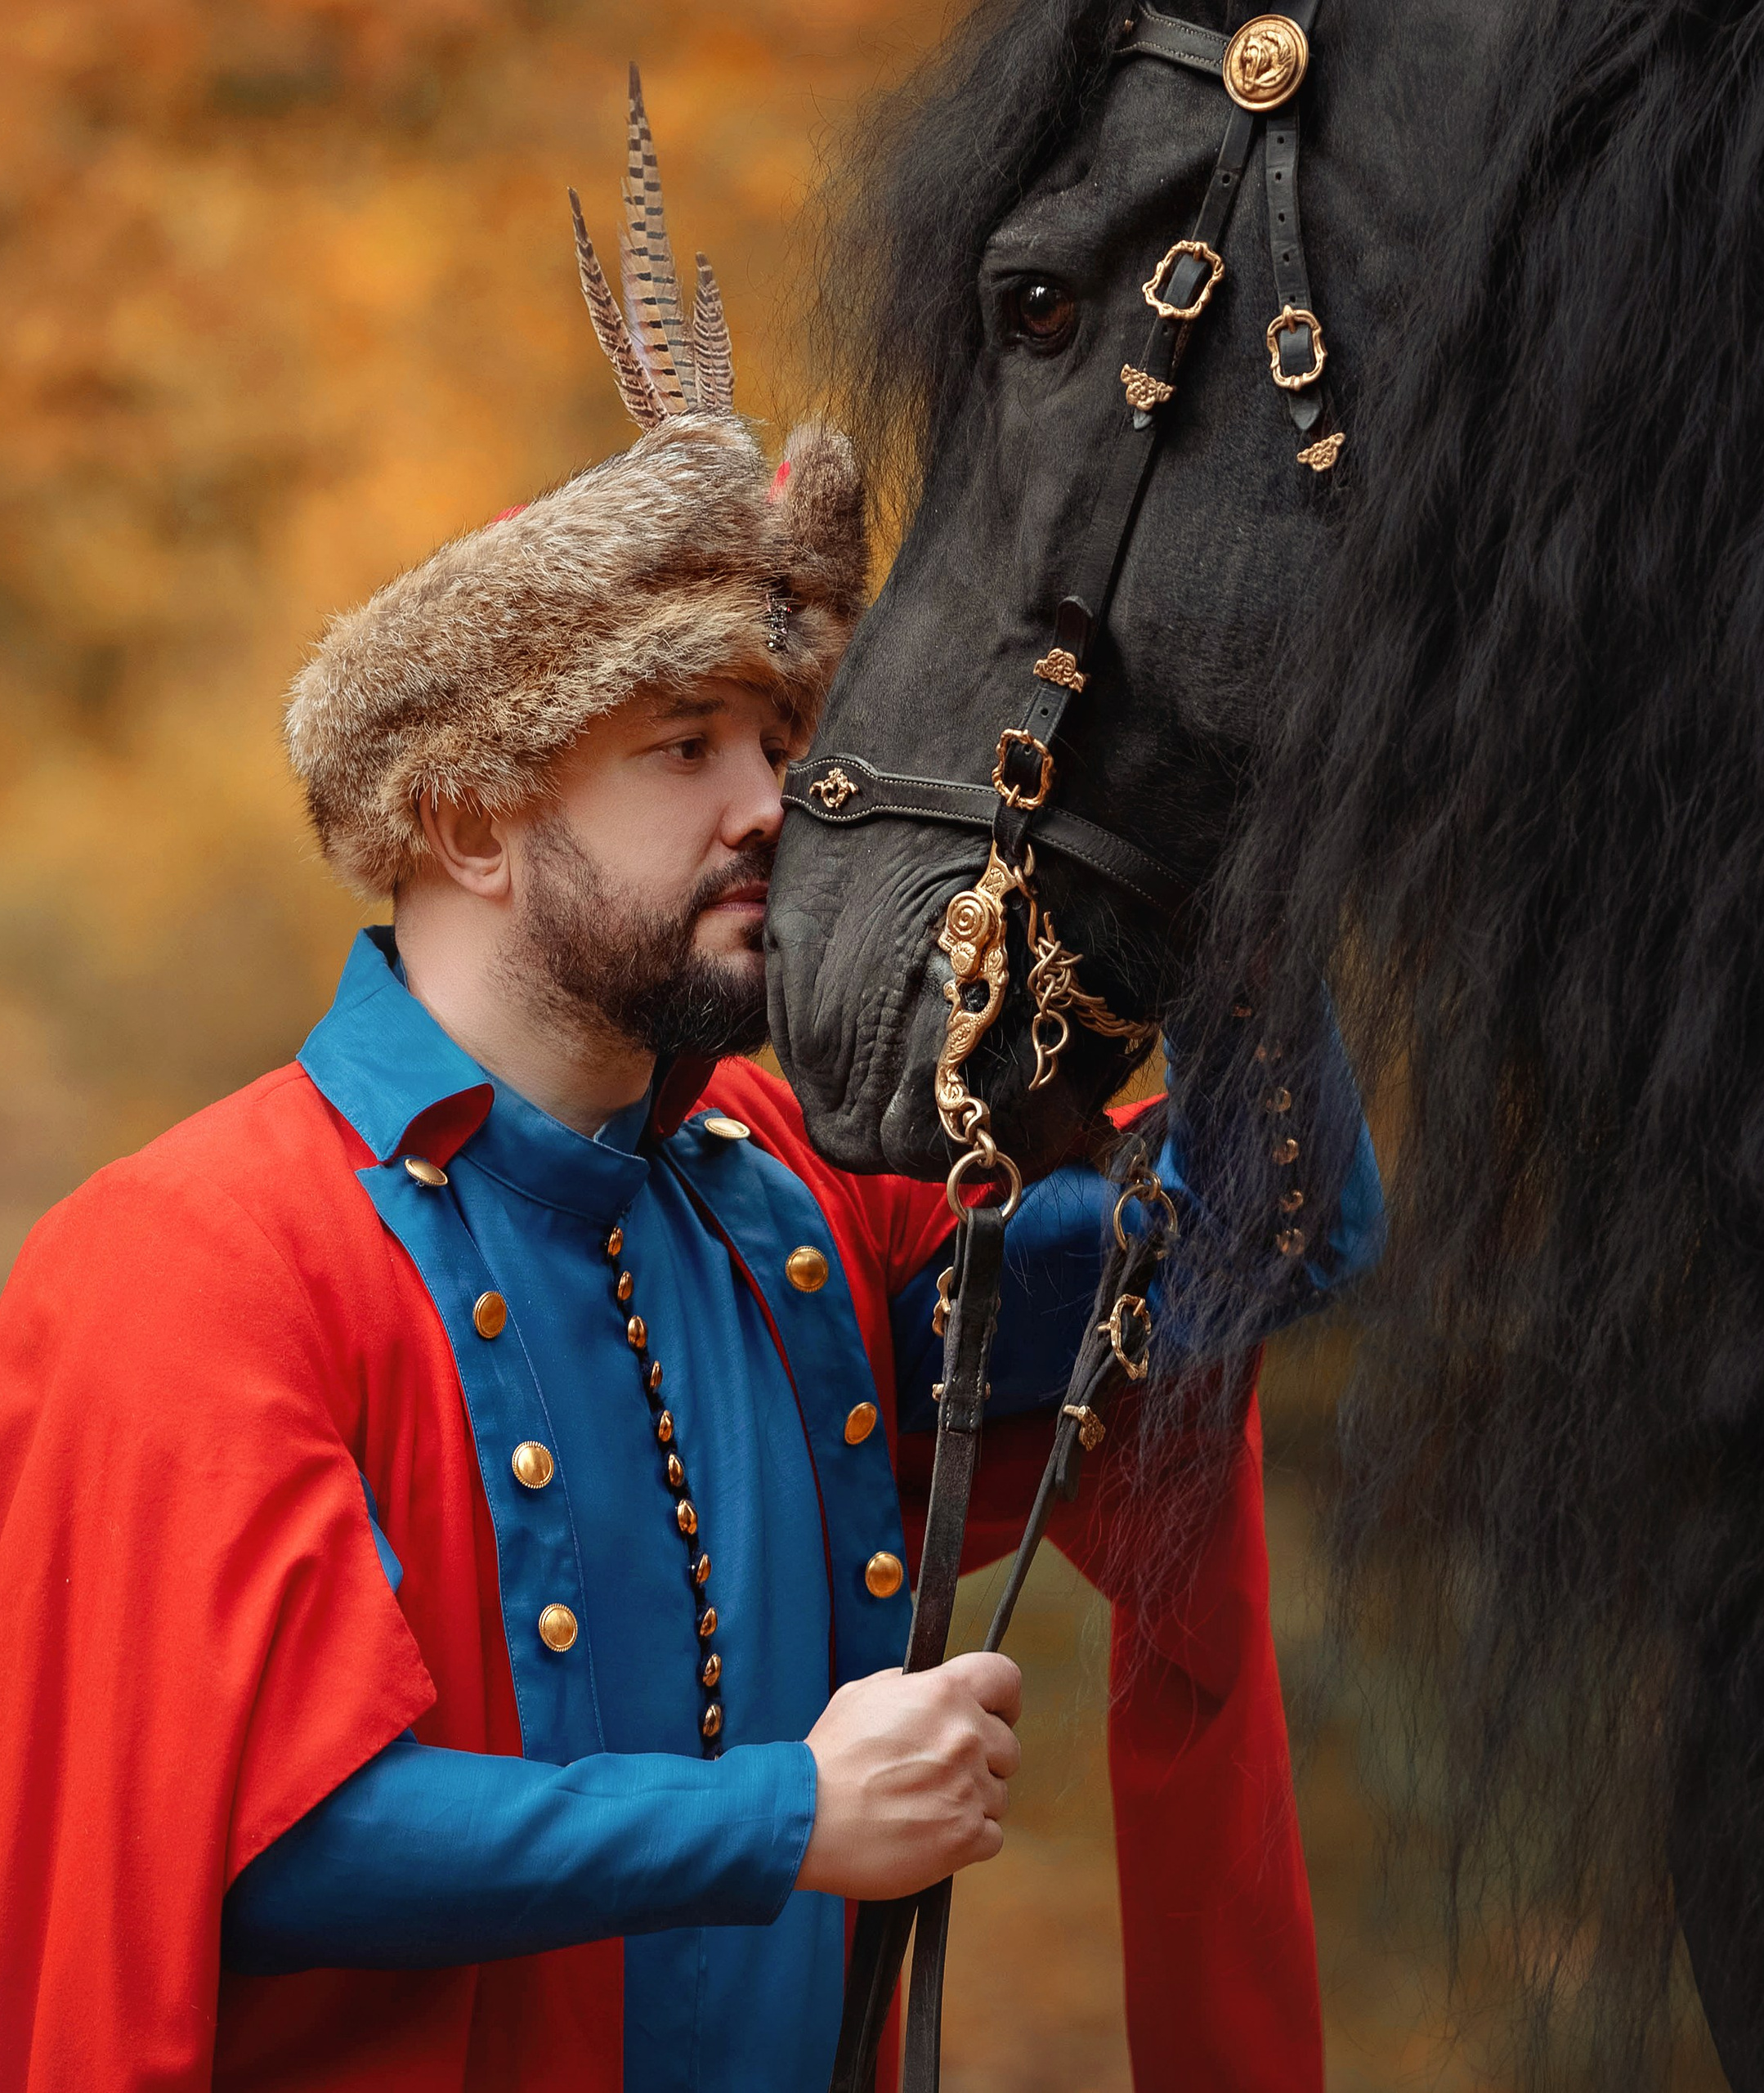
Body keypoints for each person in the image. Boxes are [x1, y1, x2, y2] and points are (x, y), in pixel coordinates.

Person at [0, 77, 1384, 2093]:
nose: (771, 804)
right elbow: (264, 1836)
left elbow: (1268, 1235)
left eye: (781, 739)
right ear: (466, 816)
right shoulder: (192, 1254)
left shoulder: (806, 1210)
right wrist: (783, 1816)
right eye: (683, 747)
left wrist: (1232, 795)